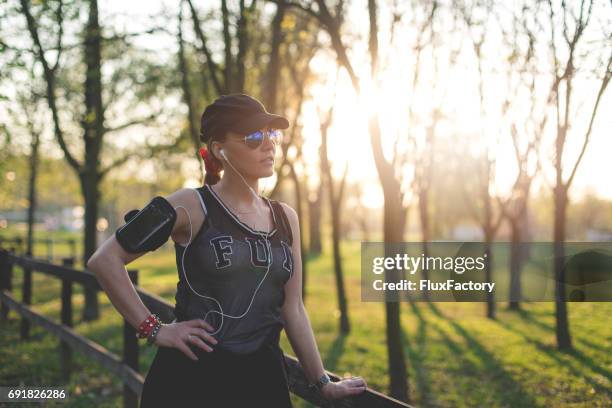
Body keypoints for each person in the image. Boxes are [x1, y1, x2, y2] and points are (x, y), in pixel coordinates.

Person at [87, 93, 368, 407]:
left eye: (272, 134)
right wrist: (155, 329)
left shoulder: (285, 218)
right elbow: (105, 260)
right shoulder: (190, 205)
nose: (269, 144)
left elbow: (293, 309)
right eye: (254, 137)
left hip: (262, 384)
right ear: (219, 149)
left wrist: (322, 383)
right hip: (189, 384)